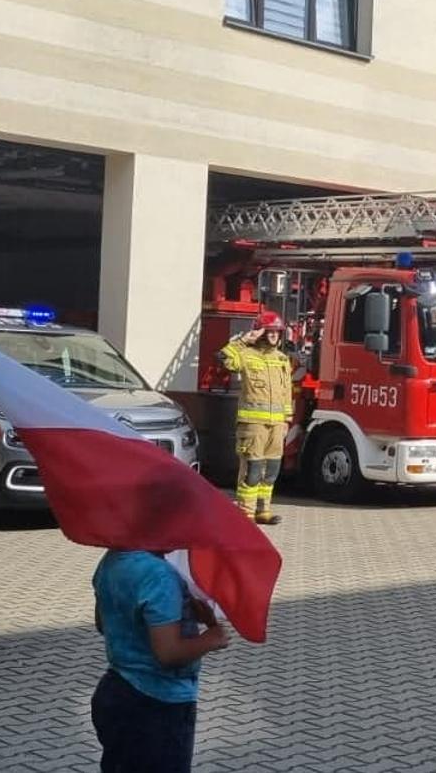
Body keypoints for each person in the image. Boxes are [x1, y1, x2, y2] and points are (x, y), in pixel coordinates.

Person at [92, 549, 229, 773]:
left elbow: (102, 623)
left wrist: (181, 614)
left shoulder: (112, 559)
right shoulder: (160, 575)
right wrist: (211, 638)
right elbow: (168, 654)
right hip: (159, 705)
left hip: (116, 692)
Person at [219, 312, 293, 525]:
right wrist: (245, 340)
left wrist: (286, 419)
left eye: (276, 332)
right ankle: (245, 514)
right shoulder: (247, 355)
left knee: (271, 470)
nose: (273, 336)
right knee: (251, 470)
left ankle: (263, 510)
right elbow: (223, 357)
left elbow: (286, 391)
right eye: (269, 331)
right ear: (260, 332)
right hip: (253, 426)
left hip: (277, 425)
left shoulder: (281, 359)